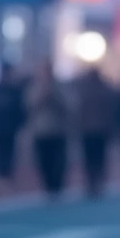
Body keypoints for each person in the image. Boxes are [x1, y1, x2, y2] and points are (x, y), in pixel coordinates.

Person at [26, 61, 70, 197]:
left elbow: (68, 105)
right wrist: (43, 96)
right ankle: (48, 186)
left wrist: (54, 96)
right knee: (43, 161)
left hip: (58, 130)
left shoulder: (60, 87)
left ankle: (57, 186)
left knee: (59, 161)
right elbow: (29, 106)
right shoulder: (35, 87)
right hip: (41, 131)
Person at [72, 65, 116, 197]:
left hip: (93, 130)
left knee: (93, 158)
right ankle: (95, 182)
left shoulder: (86, 90)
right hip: (94, 129)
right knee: (96, 158)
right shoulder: (102, 89)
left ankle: (94, 182)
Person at [0, 66, 26, 180]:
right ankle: (1, 173)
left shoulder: (14, 91)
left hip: (10, 127)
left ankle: (8, 173)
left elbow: (19, 110)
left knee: (9, 151)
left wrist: (20, 125)